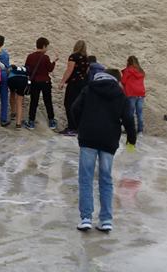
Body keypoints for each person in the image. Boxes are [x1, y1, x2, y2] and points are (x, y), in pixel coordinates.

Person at [71, 68, 137, 233]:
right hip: (109, 140)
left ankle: (86, 218)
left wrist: (81, 126)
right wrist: (131, 139)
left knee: (86, 178)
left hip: (88, 138)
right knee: (106, 179)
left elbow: (74, 108)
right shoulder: (120, 94)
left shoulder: (89, 89)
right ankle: (106, 220)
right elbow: (129, 118)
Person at [24, 37, 58, 130]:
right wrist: (54, 61)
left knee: (34, 102)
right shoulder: (45, 57)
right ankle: (51, 121)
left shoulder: (30, 56)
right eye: (46, 47)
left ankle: (31, 122)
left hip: (35, 81)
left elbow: (27, 69)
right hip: (45, 82)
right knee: (48, 101)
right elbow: (50, 69)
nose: (47, 49)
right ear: (43, 46)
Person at [58, 40, 90, 136]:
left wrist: (62, 82)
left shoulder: (73, 57)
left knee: (69, 104)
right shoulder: (87, 58)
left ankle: (72, 127)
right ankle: (79, 127)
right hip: (84, 83)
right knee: (80, 105)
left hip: (74, 83)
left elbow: (69, 70)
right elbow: (87, 72)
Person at [121, 56, 147, 135]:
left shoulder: (128, 70)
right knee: (139, 113)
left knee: (130, 113)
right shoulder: (141, 71)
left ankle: (130, 130)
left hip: (131, 93)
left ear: (128, 62)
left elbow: (123, 81)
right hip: (141, 93)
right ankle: (140, 131)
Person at [6, 64, 29, 128]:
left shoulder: (11, 68)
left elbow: (7, 73)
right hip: (23, 80)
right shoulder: (24, 69)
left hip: (12, 79)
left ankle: (13, 112)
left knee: (12, 94)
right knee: (19, 101)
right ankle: (18, 123)